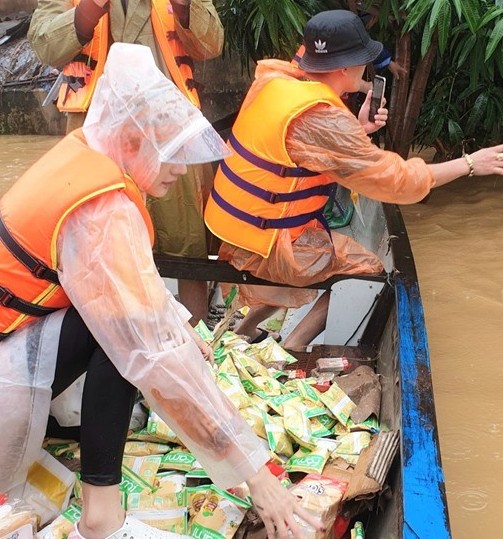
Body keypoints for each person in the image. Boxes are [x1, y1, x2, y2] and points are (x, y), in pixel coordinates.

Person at [0, 44, 321, 539]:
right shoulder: (102, 207)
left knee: (142, 326)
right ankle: (102, 519)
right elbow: (144, 344)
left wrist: (177, 326)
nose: (182, 167)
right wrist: (257, 474)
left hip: (15, 345)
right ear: (132, 139)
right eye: (172, 151)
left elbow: (134, 293)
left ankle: (65, 454)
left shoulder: (88, 149)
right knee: (123, 336)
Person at [204, 9, 503, 349]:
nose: (367, 69)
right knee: (366, 268)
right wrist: (469, 163)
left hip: (234, 232)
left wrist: (356, 128)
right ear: (343, 67)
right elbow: (396, 181)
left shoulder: (277, 81)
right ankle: (293, 345)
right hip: (268, 247)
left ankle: (244, 330)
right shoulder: (322, 120)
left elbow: (307, 149)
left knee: (318, 243)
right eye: (363, 61)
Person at [28, 0, 224, 326]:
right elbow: (45, 46)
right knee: (98, 241)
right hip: (97, 133)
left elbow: (212, 44)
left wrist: (186, 7)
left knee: (186, 241)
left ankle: (199, 340)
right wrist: (89, 9)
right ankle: (108, 337)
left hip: (169, 128)